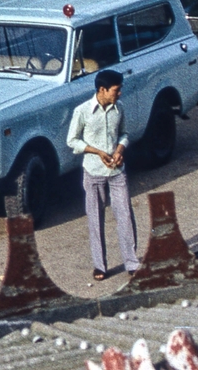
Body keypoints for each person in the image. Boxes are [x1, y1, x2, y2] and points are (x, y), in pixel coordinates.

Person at [66, 70, 139, 281]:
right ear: (102, 90)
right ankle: (100, 266)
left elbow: (125, 133)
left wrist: (119, 150)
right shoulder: (82, 112)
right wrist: (97, 152)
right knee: (95, 218)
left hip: (117, 172)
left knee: (125, 215)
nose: (120, 93)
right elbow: (72, 141)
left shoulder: (119, 109)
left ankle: (132, 262)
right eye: (116, 90)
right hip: (93, 172)